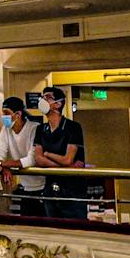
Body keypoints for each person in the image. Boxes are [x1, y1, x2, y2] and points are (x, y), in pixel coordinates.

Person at [31, 87, 88, 219]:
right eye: (42, 97)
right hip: (50, 189)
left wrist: (48, 154)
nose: (43, 100)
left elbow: (68, 159)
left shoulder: (73, 127)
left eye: (48, 97)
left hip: (72, 192)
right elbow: (38, 159)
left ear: (58, 103)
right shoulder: (40, 129)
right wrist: (65, 167)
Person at [0, 96, 44, 217]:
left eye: (6, 113)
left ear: (18, 114)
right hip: (25, 188)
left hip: (42, 188)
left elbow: (31, 159)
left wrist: (4, 164)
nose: (3, 117)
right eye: (2, 113)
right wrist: (2, 166)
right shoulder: (6, 130)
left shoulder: (35, 128)